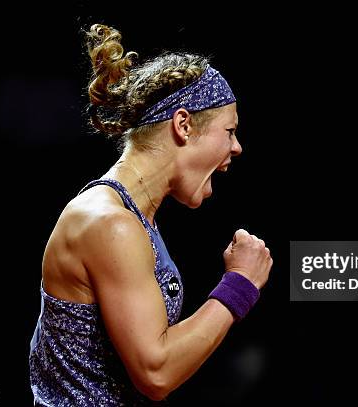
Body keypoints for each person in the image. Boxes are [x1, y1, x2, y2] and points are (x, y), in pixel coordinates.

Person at [28, 24, 273, 406]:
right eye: (229, 131)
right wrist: (240, 284)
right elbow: (156, 372)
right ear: (183, 124)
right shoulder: (110, 224)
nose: (237, 147)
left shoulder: (132, 217)